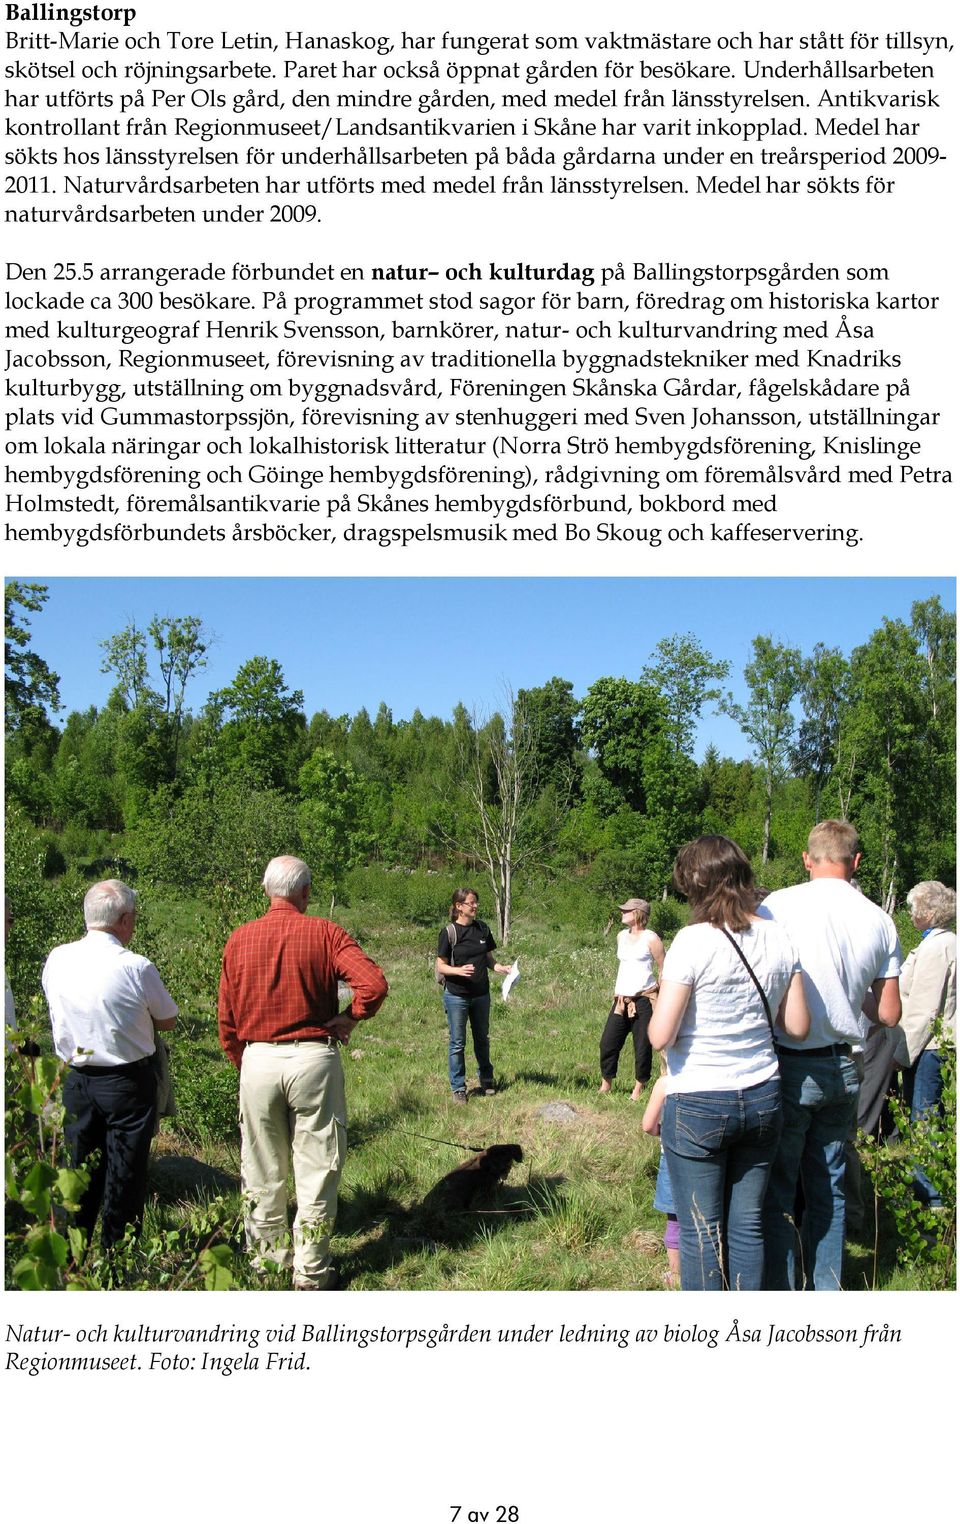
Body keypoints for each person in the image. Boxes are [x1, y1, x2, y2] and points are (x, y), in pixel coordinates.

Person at [648, 835, 809, 1291]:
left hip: (699, 1097)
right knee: (748, 1226)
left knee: (700, 1233)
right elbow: (796, 1025)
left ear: (696, 885)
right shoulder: (779, 937)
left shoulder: (692, 941)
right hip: (762, 1095)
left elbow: (661, 1036)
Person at [219, 856, 387, 1290]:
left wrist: (247, 1063)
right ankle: (311, 1272)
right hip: (312, 1058)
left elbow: (227, 1019)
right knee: (316, 1167)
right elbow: (373, 984)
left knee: (260, 1167)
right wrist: (351, 1018)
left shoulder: (239, 939)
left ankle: (267, 1263)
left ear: (266, 890)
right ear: (306, 891)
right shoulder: (325, 932)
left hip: (258, 1059)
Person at [759, 820, 901, 1290]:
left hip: (788, 1058)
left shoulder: (777, 904)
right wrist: (850, 994)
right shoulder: (879, 919)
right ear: (856, 861)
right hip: (844, 1061)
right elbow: (888, 1011)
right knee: (831, 1186)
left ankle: (783, 1288)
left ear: (807, 858)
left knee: (780, 1184)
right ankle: (827, 1288)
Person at [41, 880, 177, 1251]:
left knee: (79, 1172)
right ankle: (117, 1257)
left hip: (75, 1080)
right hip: (127, 1083)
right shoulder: (136, 966)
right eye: (132, 918)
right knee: (126, 1174)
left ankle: (74, 1255)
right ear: (123, 919)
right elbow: (167, 1019)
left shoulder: (57, 958)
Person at [894, 881, 956, 1209]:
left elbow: (924, 1009)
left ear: (928, 911)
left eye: (913, 907)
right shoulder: (947, 943)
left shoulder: (935, 949)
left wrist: (901, 1056)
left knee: (924, 1121)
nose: (910, 913)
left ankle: (930, 1200)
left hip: (930, 1048)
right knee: (937, 1118)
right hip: (939, 1045)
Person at [436, 888, 512, 1104]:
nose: (475, 906)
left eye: (476, 902)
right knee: (457, 1043)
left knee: (482, 1039)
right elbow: (441, 966)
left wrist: (500, 967)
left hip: (481, 995)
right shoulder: (449, 932)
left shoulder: (482, 929)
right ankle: (458, 1088)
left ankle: (486, 1080)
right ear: (459, 906)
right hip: (456, 996)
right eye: (471, 903)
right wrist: (458, 971)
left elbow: (488, 958)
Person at [599, 897, 664, 1099]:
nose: (622, 913)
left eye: (626, 910)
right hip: (621, 1000)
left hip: (643, 1000)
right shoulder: (620, 936)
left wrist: (657, 990)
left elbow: (664, 967)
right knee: (608, 1042)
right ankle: (606, 1084)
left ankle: (638, 1088)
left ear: (637, 914)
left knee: (642, 1046)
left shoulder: (651, 938)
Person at [641, 1074, 681, 1287]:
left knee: (675, 1219)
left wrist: (663, 1132)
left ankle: (675, 1275)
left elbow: (648, 1125)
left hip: (672, 1157)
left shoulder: (665, 1082)